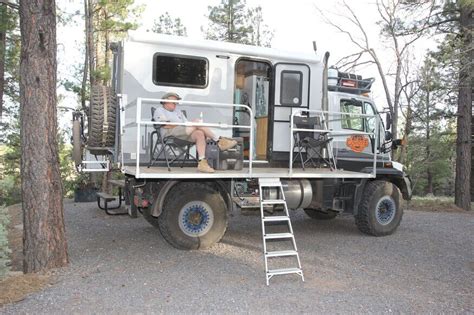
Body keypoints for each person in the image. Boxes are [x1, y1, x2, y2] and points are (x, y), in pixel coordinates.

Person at [155, 92, 237, 173]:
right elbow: (164, 124)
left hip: (183, 133)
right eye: (174, 101)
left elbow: (186, 123)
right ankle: (219, 140)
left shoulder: (178, 111)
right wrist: (183, 125)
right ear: (165, 101)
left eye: (177, 101)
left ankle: (202, 163)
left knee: (199, 133)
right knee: (197, 122)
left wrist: (190, 126)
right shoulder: (160, 110)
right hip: (170, 134)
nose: (176, 103)